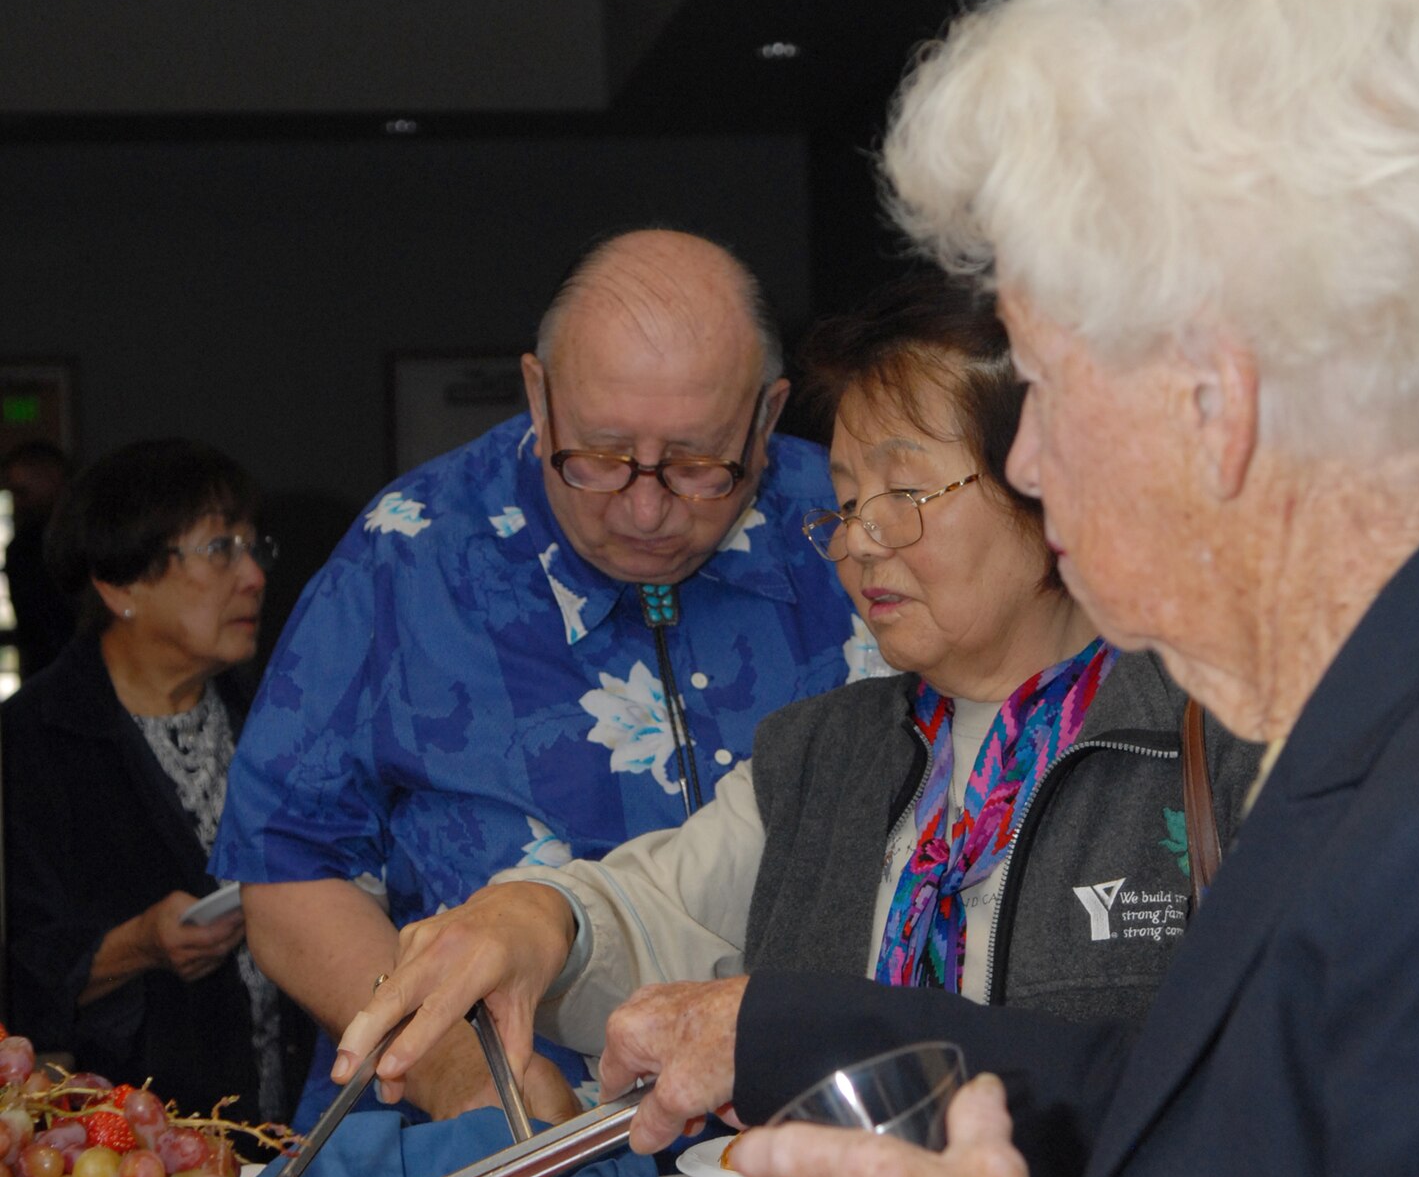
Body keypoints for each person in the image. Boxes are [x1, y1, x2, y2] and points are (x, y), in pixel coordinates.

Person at [528, 0, 1419, 1177]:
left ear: (1208, 401)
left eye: (1038, 391)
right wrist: (783, 1027)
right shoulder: (1342, 738)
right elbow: (1220, 1139)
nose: (1022, 465)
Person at [326, 272, 1257, 1177]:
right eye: (847, 505)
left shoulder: (1204, 745)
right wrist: (535, 920)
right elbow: (668, 901)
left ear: (1051, 480)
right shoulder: (836, 750)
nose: (861, 542)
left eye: (908, 492)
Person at [213, 227, 861, 1127]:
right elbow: (287, 872)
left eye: (697, 463)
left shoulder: (854, 529)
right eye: (596, 453)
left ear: (766, 414)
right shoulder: (409, 553)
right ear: (537, 395)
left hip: (812, 1136)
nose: (644, 507)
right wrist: (462, 1077)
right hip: (494, 1139)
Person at [3, 440, 309, 1123]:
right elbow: (21, 966)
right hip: (131, 1140)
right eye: (220, 550)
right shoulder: (30, 743)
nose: (254, 575)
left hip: (294, 1121)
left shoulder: (270, 714)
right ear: (122, 586)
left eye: (255, 547)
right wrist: (135, 944)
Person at [2, 439, 74, 681]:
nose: (18, 502)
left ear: (53, 477)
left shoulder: (29, 546)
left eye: (22, 492)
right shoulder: (26, 545)